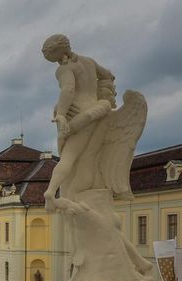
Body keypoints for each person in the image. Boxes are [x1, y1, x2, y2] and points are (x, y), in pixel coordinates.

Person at [40, 33, 116, 213]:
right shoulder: (89, 61)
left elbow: (68, 89)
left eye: (53, 60)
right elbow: (109, 76)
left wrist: (60, 113)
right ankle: (80, 189)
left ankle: (50, 191)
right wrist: (103, 97)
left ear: (57, 54)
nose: (55, 64)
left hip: (78, 116)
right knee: (88, 154)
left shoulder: (63, 70)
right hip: (95, 110)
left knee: (69, 157)